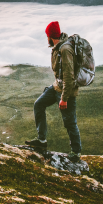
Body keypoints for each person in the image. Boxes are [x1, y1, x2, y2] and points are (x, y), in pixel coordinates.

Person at [25, 21, 82, 161]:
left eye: (47, 36)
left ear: (51, 36)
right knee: (39, 104)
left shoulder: (65, 49)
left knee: (69, 122)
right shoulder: (58, 47)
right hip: (56, 86)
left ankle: (76, 153)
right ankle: (42, 141)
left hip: (66, 92)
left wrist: (64, 98)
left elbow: (69, 76)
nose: (47, 39)